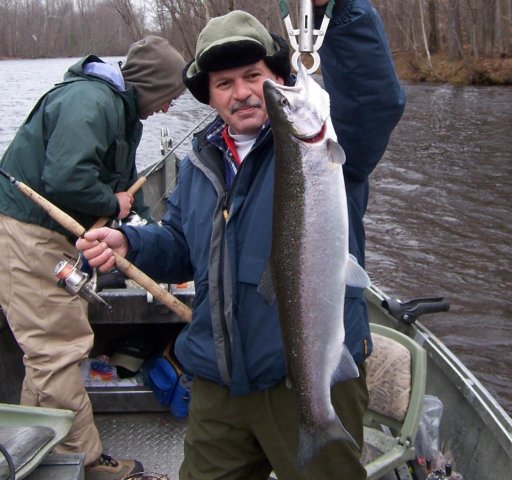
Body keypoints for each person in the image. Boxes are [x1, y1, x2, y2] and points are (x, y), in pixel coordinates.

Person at [77, 1, 406, 479]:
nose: (243, 93)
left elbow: (375, 100)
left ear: (277, 77)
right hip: (218, 383)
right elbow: (184, 248)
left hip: (308, 380)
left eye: (253, 75)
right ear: (210, 98)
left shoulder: (327, 147)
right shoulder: (198, 166)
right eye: (225, 83)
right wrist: (133, 245)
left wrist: (343, 10)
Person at [0, 36, 186, 479]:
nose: (166, 109)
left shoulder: (121, 110)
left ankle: (39, 450)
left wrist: (142, 225)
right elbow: (66, 179)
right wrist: (114, 200)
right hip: (30, 236)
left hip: (53, 238)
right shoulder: (91, 102)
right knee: (58, 349)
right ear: (149, 85)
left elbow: (121, 184)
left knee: (48, 353)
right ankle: (84, 460)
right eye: (167, 98)